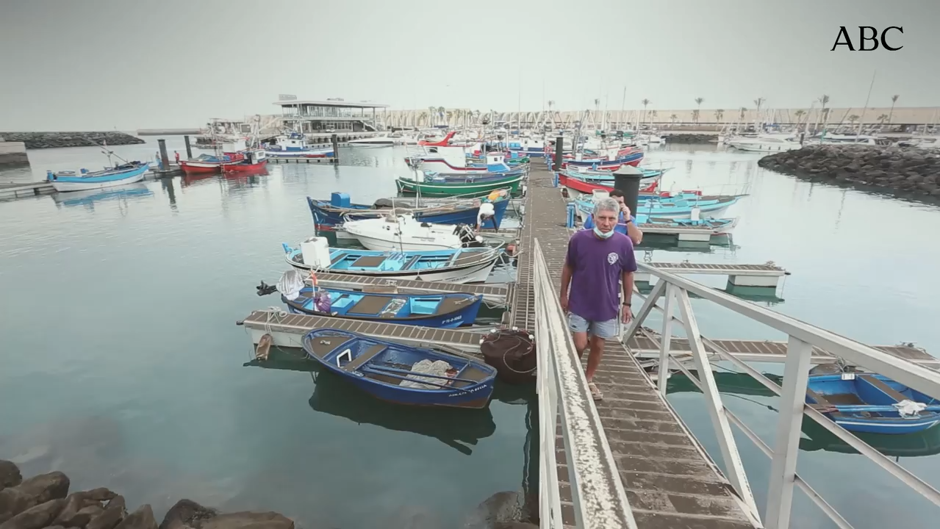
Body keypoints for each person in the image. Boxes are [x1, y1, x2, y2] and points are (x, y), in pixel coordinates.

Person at [561, 197, 637, 401]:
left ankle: (588, 378)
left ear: (617, 219)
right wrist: (563, 294)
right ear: (593, 217)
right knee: (579, 344)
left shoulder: (624, 243)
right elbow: (568, 266)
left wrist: (627, 304)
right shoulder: (579, 239)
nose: (606, 223)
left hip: (607, 304)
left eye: (611, 218)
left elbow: (628, 273)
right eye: (602, 218)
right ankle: (573, 373)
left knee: (598, 344)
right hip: (579, 301)